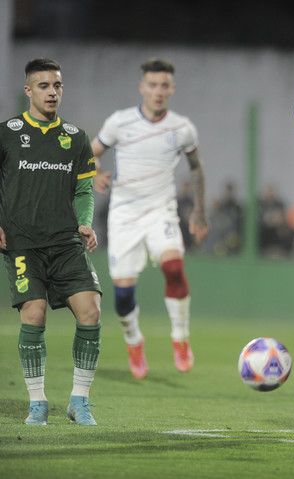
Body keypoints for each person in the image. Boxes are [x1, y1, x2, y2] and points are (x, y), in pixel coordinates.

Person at [91, 59, 208, 379]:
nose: (158, 91)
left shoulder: (182, 127)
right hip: (124, 215)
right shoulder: (120, 122)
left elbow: (196, 167)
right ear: (142, 87)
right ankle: (134, 342)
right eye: (152, 85)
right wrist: (95, 174)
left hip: (162, 211)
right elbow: (90, 153)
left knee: (174, 266)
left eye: (164, 85)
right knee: (124, 293)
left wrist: (198, 210)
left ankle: (180, 339)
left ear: (172, 89)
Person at [1, 58, 102, 425]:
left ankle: (79, 400)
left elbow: (85, 189)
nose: (52, 92)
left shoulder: (75, 137)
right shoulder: (7, 133)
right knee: (35, 313)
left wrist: (86, 223)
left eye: (57, 85)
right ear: (28, 90)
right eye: (43, 86)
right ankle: (37, 402)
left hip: (65, 242)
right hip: (23, 242)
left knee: (90, 311)